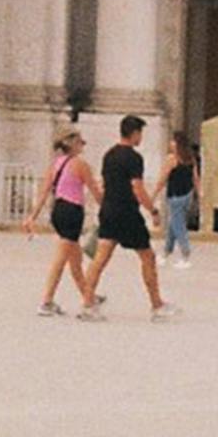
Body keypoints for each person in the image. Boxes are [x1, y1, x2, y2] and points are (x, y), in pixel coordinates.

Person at [85, 114, 169, 316]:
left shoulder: (109, 155)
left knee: (100, 258)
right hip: (127, 212)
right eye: (140, 133)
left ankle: (87, 302)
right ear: (134, 133)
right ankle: (156, 304)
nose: (141, 138)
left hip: (109, 209)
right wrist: (153, 210)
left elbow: (105, 183)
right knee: (147, 256)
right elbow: (137, 188)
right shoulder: (134, 158)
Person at [23, 129, 98, 315]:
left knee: (75, 260)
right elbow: (95, 191)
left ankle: (89, 296)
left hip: (58, 210)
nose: (83, 145)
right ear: (72, 143)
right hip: (72, 212)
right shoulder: (80, 165)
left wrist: (32, 216)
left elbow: (44, 192)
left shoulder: (56, 164)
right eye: (81, 142)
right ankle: (47, 301)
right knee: (61, 259)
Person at [158, 132, 197, 266]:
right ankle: (165, 253)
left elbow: (162, 179)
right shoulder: (190, 158)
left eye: (173, 141)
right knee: (173, 224)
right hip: (187, 194)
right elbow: (195, 177)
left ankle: (185, 254)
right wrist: (199, 191)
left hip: (175, 196)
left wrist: (153, 195)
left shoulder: (172, 159)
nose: (171, 144)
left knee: (178, 225)